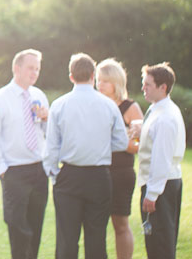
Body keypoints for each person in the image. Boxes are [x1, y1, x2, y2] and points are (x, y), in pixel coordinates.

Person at [43, 53, 129, 259]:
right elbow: (122, 142)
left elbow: (51, 147)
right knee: (97, 238)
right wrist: (100, 147)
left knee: (67, 239)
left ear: (71, 76)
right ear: (93, 75)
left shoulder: (59, 105)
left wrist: (55, 175)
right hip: (99, 177)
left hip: (68, 176)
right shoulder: (109, 105)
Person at [0, 49, 49, 259]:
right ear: (17, 68)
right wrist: (2, 169)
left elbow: (47, 135)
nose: (34, 73)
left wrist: (47, 119)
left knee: (36, 225)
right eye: (30, 68)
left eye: (37, 69)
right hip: (14, 171)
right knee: (17, 227)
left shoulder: (39, 96)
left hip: (39, 169)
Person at [136, 62, 186, 259]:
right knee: (156, 241)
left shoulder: (165, 117)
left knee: (160, 242)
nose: (143, 88)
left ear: (163, 87)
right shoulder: (157, 109)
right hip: (160, 184)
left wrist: (152, 193)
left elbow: (161, 158)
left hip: (161, 186)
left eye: (148, 84)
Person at [96, 58, 143, 259]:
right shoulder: (94, 105)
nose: (100, 85)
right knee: (95, 225)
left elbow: (139, 146)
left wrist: (120, 138)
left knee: (121, 225)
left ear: (117, 82)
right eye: (98, 80)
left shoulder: (131, 108)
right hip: (96, 171)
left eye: (105, 81)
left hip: (121, 173)